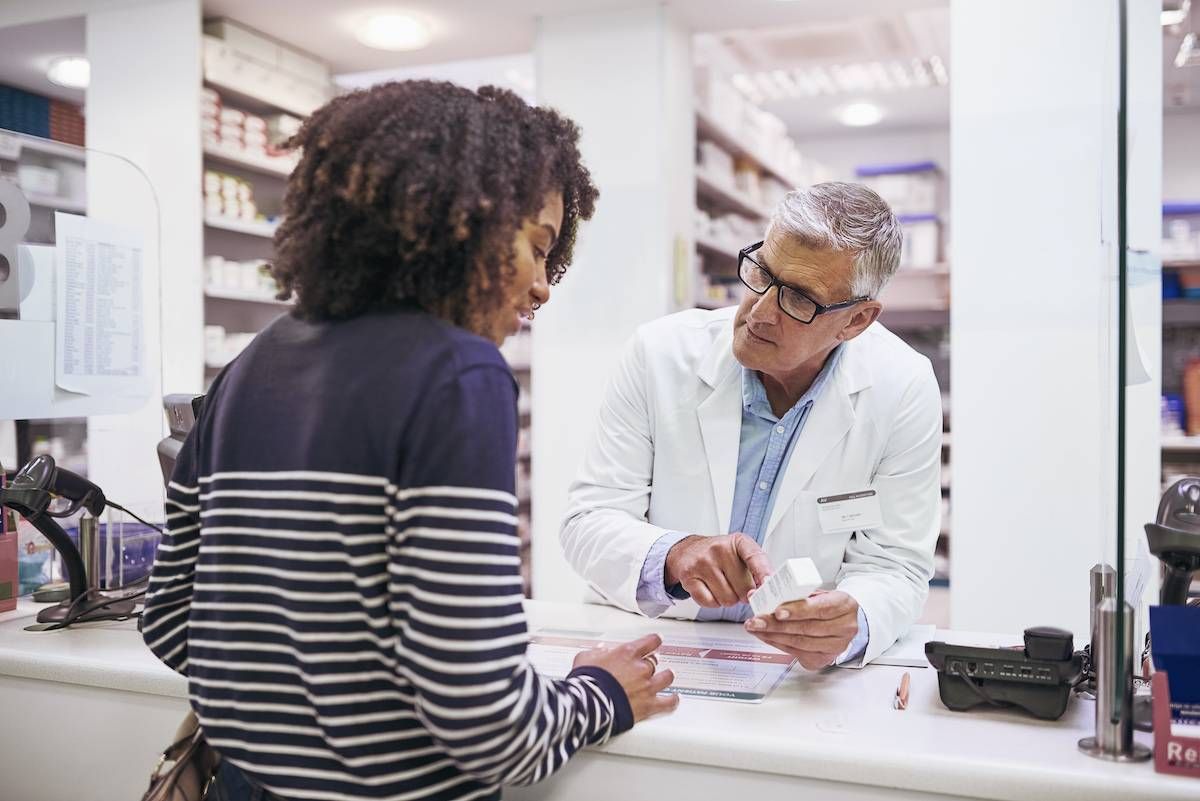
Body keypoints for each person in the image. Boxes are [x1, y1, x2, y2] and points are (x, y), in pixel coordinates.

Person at [141, 80, 677, 801]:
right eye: (536, 245)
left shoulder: (251, 363)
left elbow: (171, 619)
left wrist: (300, 708)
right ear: (462, 219)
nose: (544, 285)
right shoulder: (458, 375)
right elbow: (489, 727)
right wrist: (601, 692)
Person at [561, 182, 942, 671]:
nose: (759, 312)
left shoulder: (902, 386)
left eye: (800, 300)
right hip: (652, 643)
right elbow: (588, 521)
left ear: (857, 320)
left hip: (792, 670)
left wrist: (857, 619)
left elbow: (896, 564)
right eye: (761, 272)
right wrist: (674, 553)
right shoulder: (660, 354)